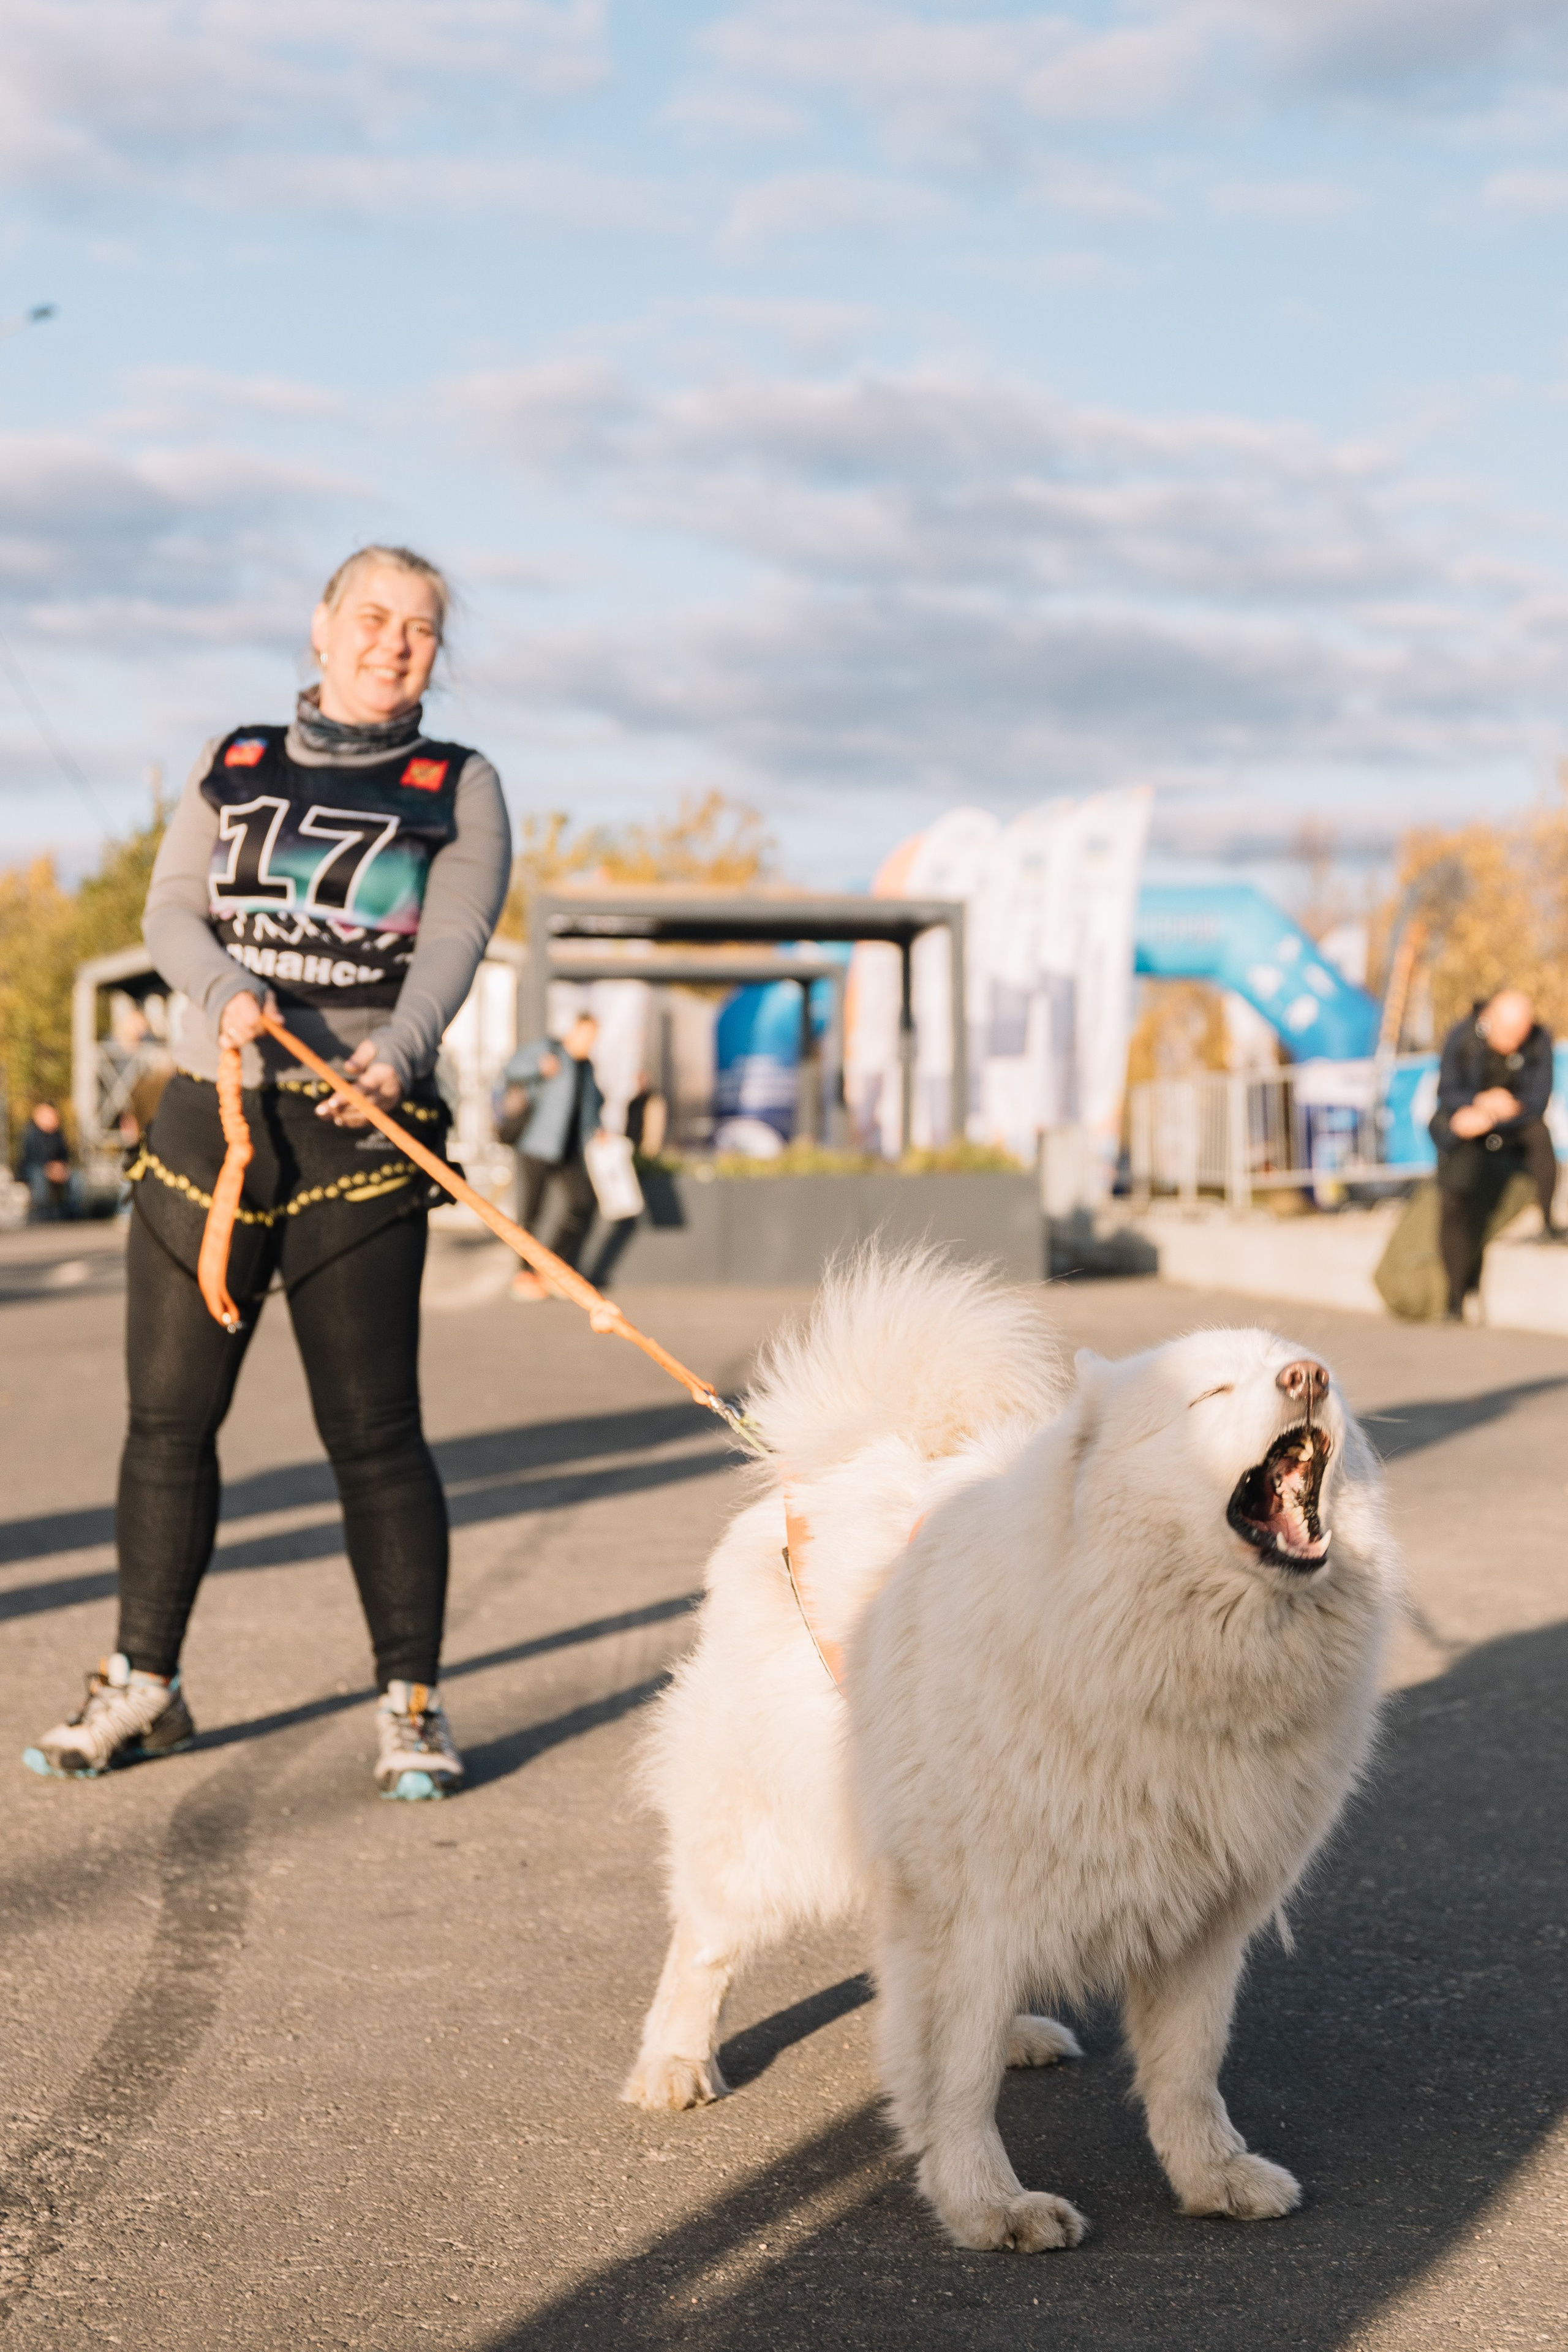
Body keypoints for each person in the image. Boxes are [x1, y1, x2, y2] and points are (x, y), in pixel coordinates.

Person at [25, 546, 512, 1798]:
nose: (392, 642)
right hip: (214, 1121)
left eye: (418, 628)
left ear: (433, 655)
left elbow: (452, 941)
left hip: (359, 1132)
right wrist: (227, 991)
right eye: (370, 617)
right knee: (167, 1424)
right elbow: (170, 910)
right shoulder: (233, 761)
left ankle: (408, 1699)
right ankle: (145, 1684)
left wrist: (397, 1055)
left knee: (373, 1435)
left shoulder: (457, 785)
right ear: (320, 628)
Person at [1431, 987, 1562, 1318]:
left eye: (1521, 1034)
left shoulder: (1539, 1039)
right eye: (1509, 1035)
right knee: (1455, 1201)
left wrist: (1500, 1112)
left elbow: (1537, 1101)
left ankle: (1548, 1222)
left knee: (1541, 1139)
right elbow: (1448, 1091)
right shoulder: (1462, 1036)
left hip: (1513, 1121)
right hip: (1469, 1124)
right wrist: (1479, 1106)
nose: (1516, 1043)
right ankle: (1455, 1298)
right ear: (1489, 1021)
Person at [501, 1011, 605, 1302]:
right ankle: (524, 1275)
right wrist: (539, 1067)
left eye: (594, 1037)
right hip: (537, 1144)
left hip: (569, 1148)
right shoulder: (550, 1050)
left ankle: (553, 1268)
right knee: (532, 1212)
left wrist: (598, 1128)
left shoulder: (587, 1067)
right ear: (575, 1031)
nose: (590, 1042)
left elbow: (592, 1104)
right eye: (587, 1035)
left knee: (583, 1203)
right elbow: (512, 1069)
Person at [18, 1102, 80, 1221]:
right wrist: (50, 1169)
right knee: (38, 1176)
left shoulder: (58, 1135)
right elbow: (32, 1158)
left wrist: (62, 1168)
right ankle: (42, 1213)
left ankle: (72, 1212)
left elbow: (64, 1156)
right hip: (35, 1168)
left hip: (56, 1169)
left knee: (76, 1176)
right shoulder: (31, 1134)